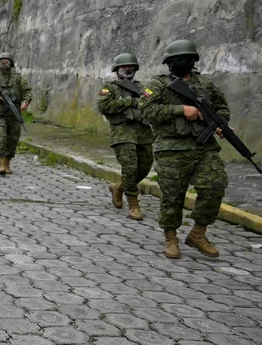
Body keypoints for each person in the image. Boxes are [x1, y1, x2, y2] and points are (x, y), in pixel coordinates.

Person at [139, 39, 229, 260]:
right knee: (173, 196)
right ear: (168, 63)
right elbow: (146, 110)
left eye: (183, 59)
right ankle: (171, 237)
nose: (178, 63)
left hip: (204, 146)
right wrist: (181, 110)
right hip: (171, 148)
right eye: (173, 60)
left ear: (192, 60)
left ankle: (198, 233)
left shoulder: (206, 85)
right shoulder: (158, 84)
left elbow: (222, 108)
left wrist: (220, 123)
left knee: (215, 186)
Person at [97, 53, 154, 221]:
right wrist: (128, 101)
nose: (128, 70)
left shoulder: (142, 87)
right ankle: (133, 204)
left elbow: (152, 103)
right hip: (122, 132)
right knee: (130, 167)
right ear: (117, 70)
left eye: (131, 67)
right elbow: (104, 106)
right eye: (124, 67)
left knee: (144, 167)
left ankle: (119, 187)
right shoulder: (110, 88)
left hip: (143, 132)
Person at [0, 52, 32, 176]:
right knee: (2, 137)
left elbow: (27, 92)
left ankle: (8, 162)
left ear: (11, 63)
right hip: (0, 114)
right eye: (2, 60)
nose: (5, 62)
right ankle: (2, 164)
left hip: (14, 114)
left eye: (7, 60)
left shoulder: (18, 78)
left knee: (13, 140)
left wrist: (25, 102)